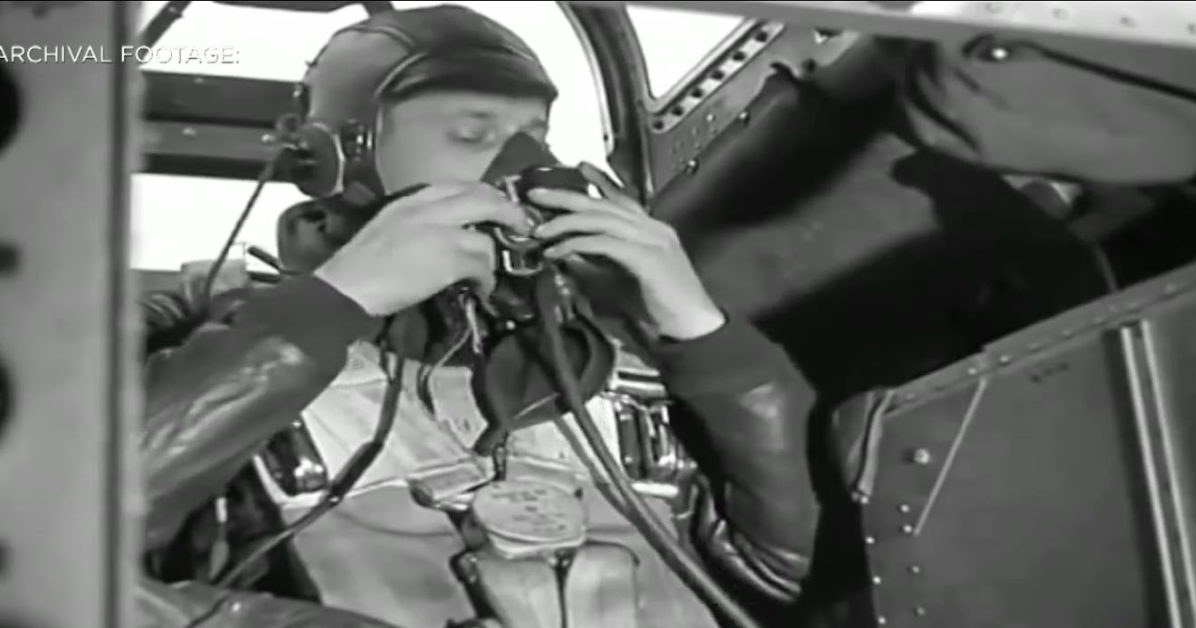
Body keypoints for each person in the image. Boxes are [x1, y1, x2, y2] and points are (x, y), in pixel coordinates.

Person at [139, 5, 819, 628]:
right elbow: (86, 545)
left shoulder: (616, 360)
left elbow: (785, 577)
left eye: (536, 136)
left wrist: (705, 335)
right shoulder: (206, 346)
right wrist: (330, 307)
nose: (529, 167)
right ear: (332, 158)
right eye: (472, 135)